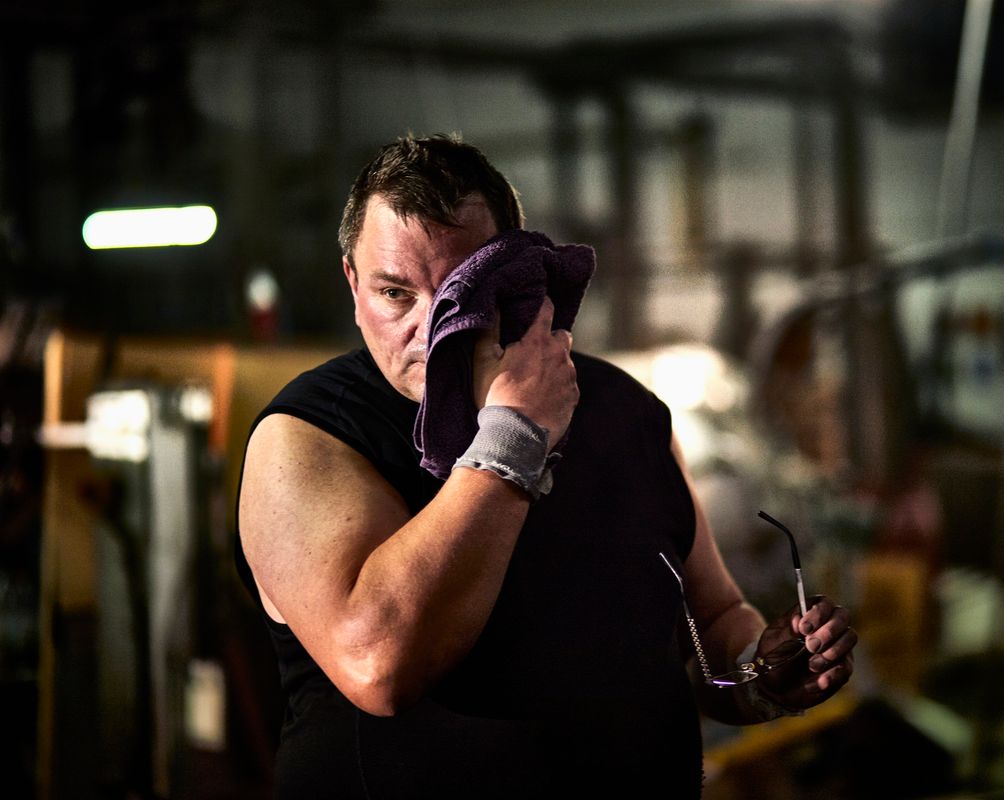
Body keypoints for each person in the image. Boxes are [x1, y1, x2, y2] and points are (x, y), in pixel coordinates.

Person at [236, 134, 857, 797]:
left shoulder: (625, 412)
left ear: (512, 271)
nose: (429, 328)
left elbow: (713, 623)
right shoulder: (305, 438)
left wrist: (762, 676)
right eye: (395, 294)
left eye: (457, 292)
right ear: (353, 285)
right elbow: (380, 665)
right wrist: (515, 436)